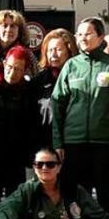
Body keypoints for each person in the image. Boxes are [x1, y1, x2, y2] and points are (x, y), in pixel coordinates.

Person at [52, 16, 109, 219]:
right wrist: (58, 141)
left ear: (101, 37)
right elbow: (57, 104)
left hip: (103, 142)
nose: (82, 38)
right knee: (74, 195)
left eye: (88, 33)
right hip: (73, 142)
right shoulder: (71, 66)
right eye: (79, 34)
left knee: (105, 194)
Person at [0, 45, 42, 219]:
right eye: (9, 67)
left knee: (14, 198)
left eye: (18, 69)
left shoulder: (27, 91)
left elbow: (31, 123)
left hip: (17, 154)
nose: (12, 73)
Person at [35, 29, 75, 157]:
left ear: (69, 51)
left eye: (58, 49)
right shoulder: (37, 82)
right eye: (50, 50)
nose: (54, 54)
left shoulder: (77, 78)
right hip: (43, 146)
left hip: (72, 144)